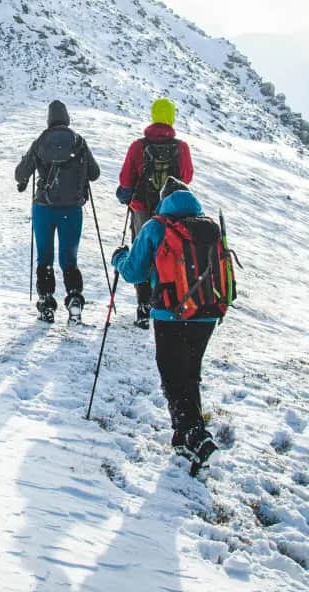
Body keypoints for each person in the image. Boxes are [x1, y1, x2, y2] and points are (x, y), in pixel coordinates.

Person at [111, 185, 221, 471]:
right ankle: (186, 437)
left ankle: (196, 436)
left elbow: (134, 271)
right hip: (207, 312)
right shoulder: (207, 227)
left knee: (172, 376)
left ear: (163, 200)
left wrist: (118, 258)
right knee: (189, 373)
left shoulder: (157, 226)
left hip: (171, 313)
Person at [15, 100, 101, 323]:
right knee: (69, 258)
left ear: (49, 120)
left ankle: (46, 302)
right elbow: (94, 173)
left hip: (44, 208)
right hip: (71, 210)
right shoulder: (79, 142)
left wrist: (27, 177)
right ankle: (74, 298)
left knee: (45, 257)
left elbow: (20, 173)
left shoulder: (41, 141)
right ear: (67, 118)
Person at [115, 98, 194, 327]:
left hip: (143, 208)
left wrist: (127, 195)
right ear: (171, 118)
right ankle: (168, 300)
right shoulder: (181, 148)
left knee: (143, 253)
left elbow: (125, 180)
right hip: (173, 211)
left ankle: (144, 305)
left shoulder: (138, 146)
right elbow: (186, 177)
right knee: (170, 251)